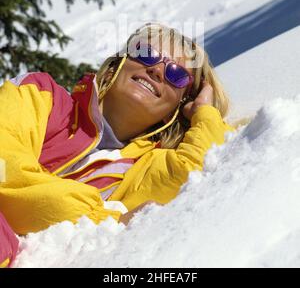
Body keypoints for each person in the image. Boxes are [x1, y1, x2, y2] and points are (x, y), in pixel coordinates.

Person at [0, 22, 236, 267]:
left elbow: (201, 170)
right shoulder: (40, 94)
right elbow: (4, 167)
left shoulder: (141, 169)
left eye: (176, 74)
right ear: (115, 67)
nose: (156, 70)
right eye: (147, 54)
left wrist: (204, 114)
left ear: (175, 109)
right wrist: (103, 216)